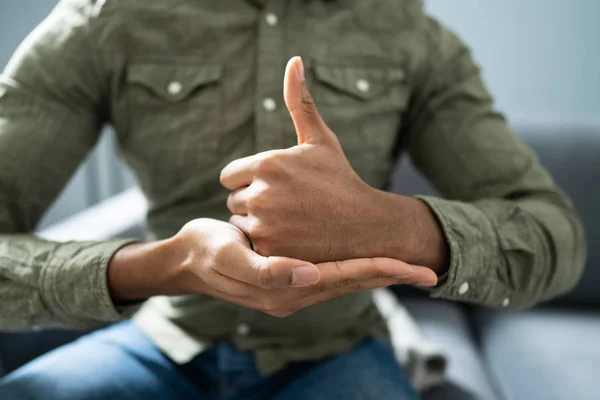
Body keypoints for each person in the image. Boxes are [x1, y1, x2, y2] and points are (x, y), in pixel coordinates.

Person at [0, 0, 586, 399]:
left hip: (339, 352)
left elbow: (554, 235)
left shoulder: (405, 32)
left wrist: (389, 225)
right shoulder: (108, 18)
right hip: (165, 341)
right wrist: (168, 264)